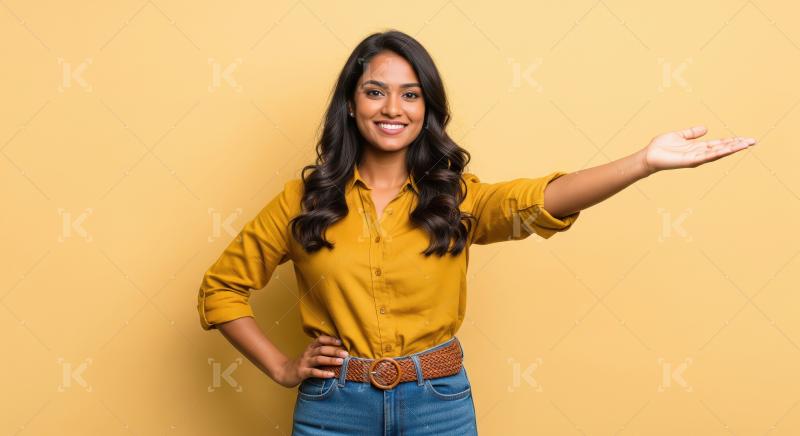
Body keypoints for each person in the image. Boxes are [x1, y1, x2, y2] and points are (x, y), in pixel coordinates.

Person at [196, 29, 757, 435]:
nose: (393, 107)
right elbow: (220, 289)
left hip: (437, 405)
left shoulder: (454, 199)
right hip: (333, 407)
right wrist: (283, 368)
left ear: (426, 109)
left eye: (411, 93)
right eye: (375, 91)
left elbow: (543, 199)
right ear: (350, 104)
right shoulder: (303, 202)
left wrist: (643, 162)